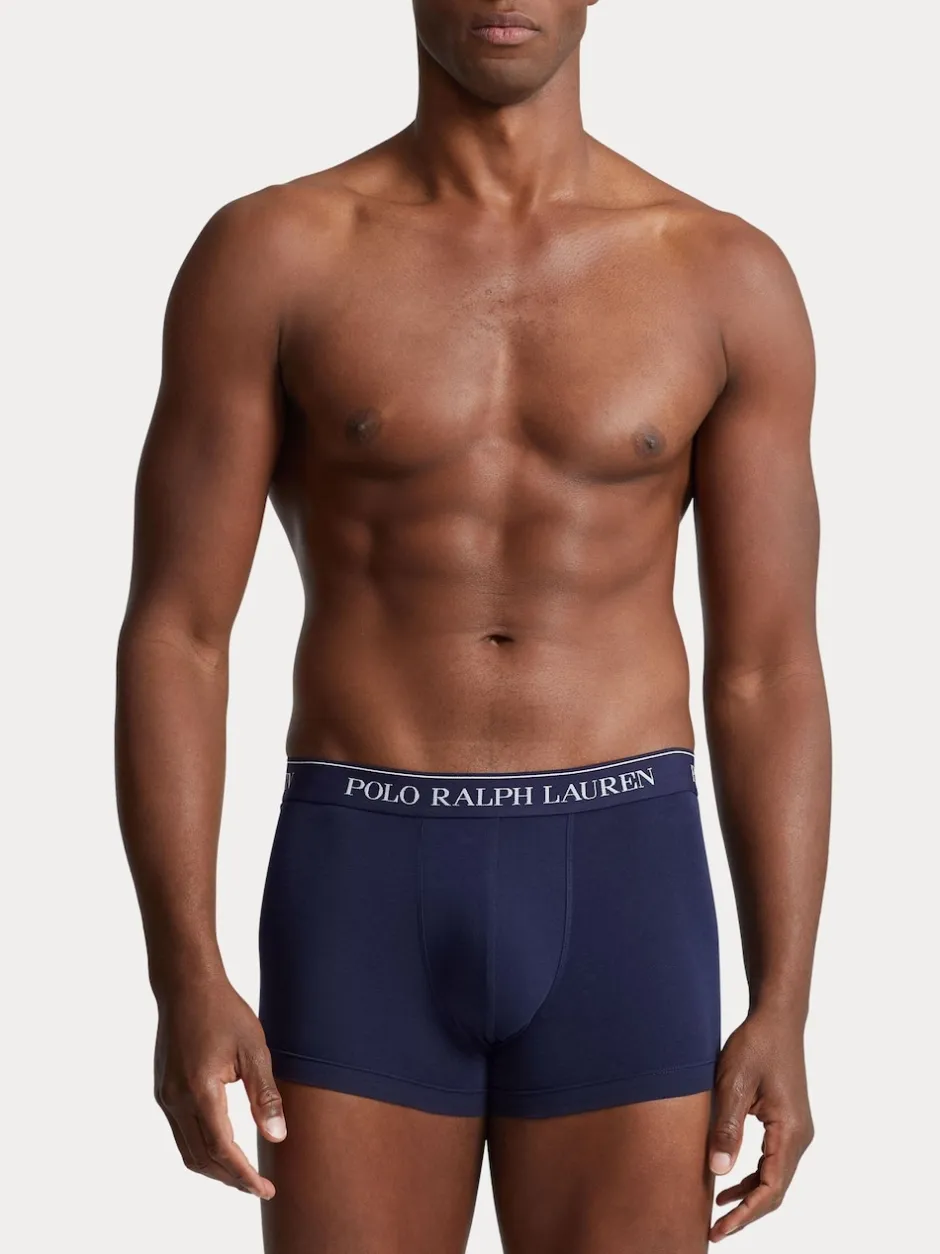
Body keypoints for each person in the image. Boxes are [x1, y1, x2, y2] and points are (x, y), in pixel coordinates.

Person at [115, 2, 831, 1250]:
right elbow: (178, 631)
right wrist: (182, 970)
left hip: (625, 881)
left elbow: (767, 670)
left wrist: (785, 1003)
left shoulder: (723, 274)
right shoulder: (275, 254)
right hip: (360, 878)